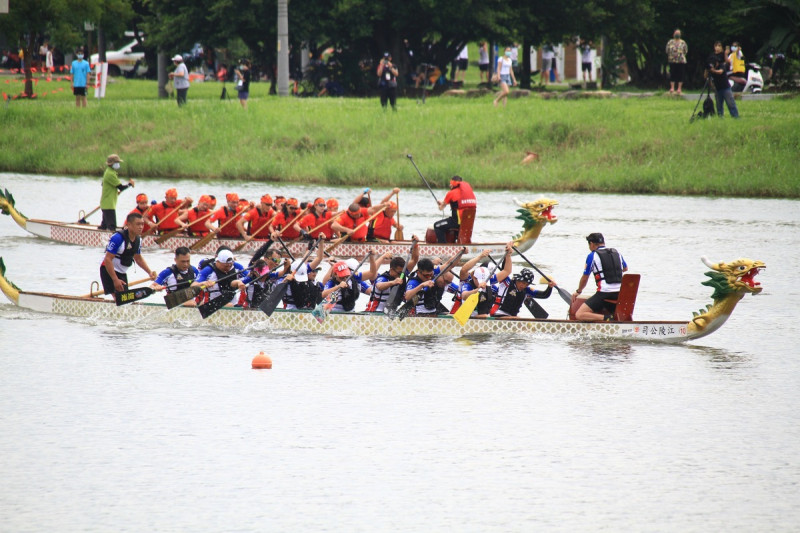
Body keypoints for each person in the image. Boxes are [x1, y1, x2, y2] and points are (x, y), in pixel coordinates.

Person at [99, 212, 157, 295]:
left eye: (142, 224)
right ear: (129, 225)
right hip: (108, 271)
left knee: (125, 298)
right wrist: (115, 280)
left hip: (122, 272)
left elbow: (138, 258)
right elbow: (107, 259)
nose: (141, 227)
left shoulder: (138, 240)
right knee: (119, 299)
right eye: (138, 224)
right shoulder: (117, 238)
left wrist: (149, 272)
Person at [574, 232, 628, 321]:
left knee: (580, 314)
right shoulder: (617, 252)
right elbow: (625, 268)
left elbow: (585, 277)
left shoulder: (592, 255)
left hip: (604, 293)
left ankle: (607, 318)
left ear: (591, 244)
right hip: (619, 293)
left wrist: (578, 291)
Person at [458, 244, 513, 318]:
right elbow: (464, 296)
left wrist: (508, 255)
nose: (482, 283)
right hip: (468, 316)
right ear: (474, 277)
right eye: (480, 280)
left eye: (484, 280)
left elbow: (507, 271)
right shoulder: (467, 284)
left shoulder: (488, 280)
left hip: (483, 315)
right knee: (485, 315)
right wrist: (480, 257)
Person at [365, 240, 420, 313]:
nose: (401, 275)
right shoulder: (383, 278)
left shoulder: (402, 274)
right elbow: (379, 286)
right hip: (374, 312)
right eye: (399, 273)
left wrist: (415, 245)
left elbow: (414, 260)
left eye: (402, 273)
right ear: (391, 270)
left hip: (390, 313)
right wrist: (393, 282)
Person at [434, 175, 477, 244]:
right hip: (466, 223)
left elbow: (441, 208)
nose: (449, 185)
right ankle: (457, 243)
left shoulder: (451, 193)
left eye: (450, 183)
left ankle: (443, 247)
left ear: (453, 183)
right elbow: (457, 203)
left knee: (437, 225)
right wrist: (442, 202)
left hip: (456, 222)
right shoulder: (466, 193)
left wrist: (440, 205)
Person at [98, 154, 134, 231]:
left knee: (104, 225)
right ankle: (113, 240)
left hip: (107, 202)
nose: (118, 164)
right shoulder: (110, 174)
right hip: (108, 204)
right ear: (112, 164)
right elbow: (120, 187)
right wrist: (130, 184)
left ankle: (102, 235)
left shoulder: (109, 172)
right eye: (117, 163)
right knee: (112, 226)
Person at [707, 41, 739, 118]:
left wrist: (725, 54)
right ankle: (720, 117)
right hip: (717, 86)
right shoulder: (712, 57)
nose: (717, 47)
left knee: (730, 103)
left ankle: (735, 117)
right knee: (719, 105)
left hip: (725, 86)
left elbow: (723, 69)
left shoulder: (722, 62)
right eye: (716, 46)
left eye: (719, 46)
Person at [666, 29, 688, 95]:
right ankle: (672, 88)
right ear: (673, 34)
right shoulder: (670, 42)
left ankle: (679, 88)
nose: (677, 34)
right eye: (676, 33)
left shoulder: (683, 42)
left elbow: (685, 51)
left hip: (681, 61)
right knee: (672, 73)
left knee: (680, 74)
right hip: (672, 60)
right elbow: (667, 50)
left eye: (678, 33)